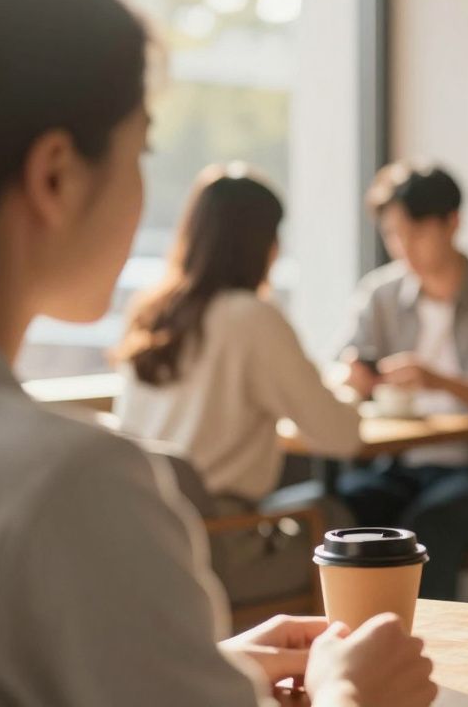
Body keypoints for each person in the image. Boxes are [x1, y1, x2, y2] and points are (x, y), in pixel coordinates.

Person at [0, 0, 434, 704]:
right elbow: (338, 432)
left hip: (196, 531)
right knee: (347, 518)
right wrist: (350, 695)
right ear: (56, 176)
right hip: (229, 531)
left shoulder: (156, 309)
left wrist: (211, 667)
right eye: (143, 150)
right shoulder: (68, 488)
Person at [336, 162, 468, 601]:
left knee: (431, 522)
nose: (403, 248)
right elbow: (340, 367)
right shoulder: (382, 295)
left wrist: (438, 381)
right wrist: (354, 375)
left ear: (452, 222)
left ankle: (425, 647)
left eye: (415, 233)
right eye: (392, 235)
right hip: (399, 463)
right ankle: (353, 637)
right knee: (347, 506)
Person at [115, 164, 359, 528]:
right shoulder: (252, 317)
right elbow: (340, 436)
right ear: (264, 244)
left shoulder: (151, 312)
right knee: (339, 517)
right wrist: (352, 390)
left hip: (147, 528)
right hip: (222, 536)